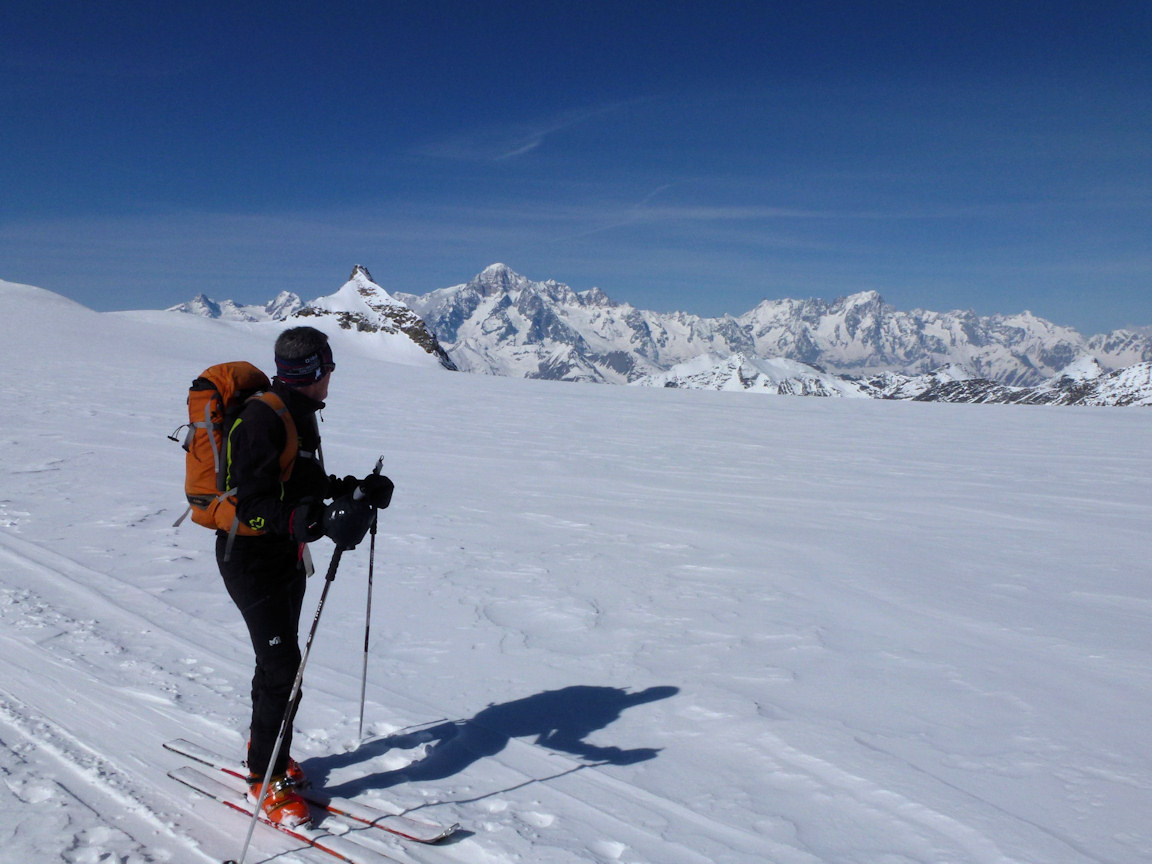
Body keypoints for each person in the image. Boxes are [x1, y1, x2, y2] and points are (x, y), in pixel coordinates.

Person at [218, 325, 392, 826]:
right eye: (330, 367)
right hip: (248, 559)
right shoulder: (261, 418)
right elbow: (249, 504)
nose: (333, 375)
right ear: (313, 372)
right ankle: (264, 776)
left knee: (276, 664)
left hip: (286, 557)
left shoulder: (300, 416)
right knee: (283, 667)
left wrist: (357, 490)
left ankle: (265, 746)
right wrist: (311, 521)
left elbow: (306, 484)